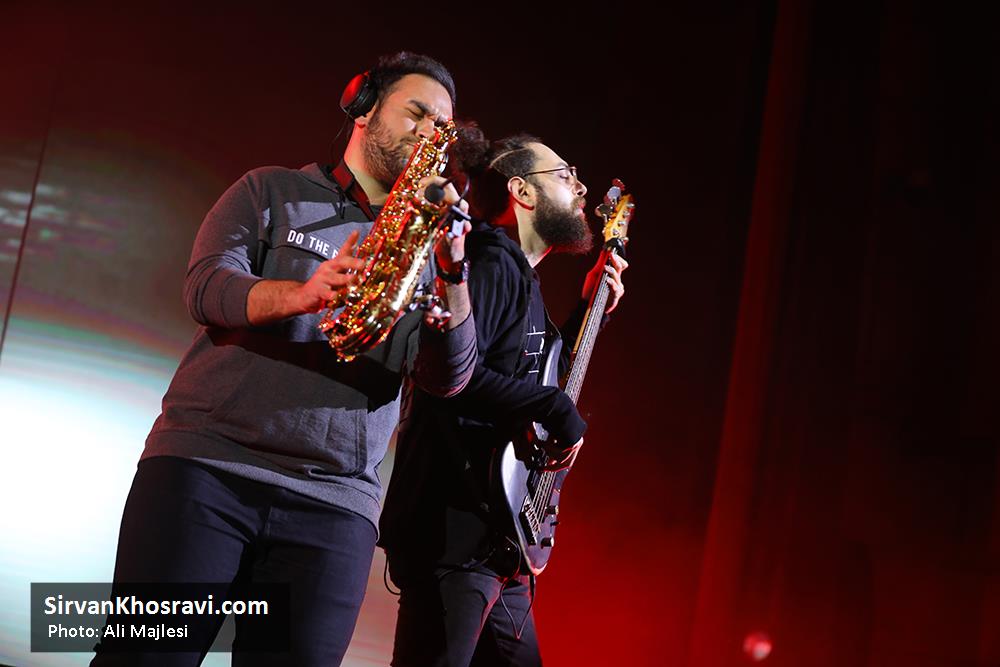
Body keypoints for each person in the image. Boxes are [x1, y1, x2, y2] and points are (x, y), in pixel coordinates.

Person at [92, 52, 476, 667]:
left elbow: (448, 377)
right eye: (417, 113)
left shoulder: (429, 250)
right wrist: (301, 295)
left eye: (442, 126)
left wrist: (453, 270)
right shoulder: (270, 189)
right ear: (364, 108)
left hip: (333, 505)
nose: (431, 132)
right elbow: (206, 288)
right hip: (207, 471)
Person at [379, 134, 629, 666]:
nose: (581, 187)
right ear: (522, 191)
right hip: (454, 532)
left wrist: (591, 311)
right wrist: (553, 408)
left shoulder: (524, 280)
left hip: (497, 538)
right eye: (564, 175)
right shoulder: (492, 262)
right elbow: (455, 378)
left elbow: (534, 379)